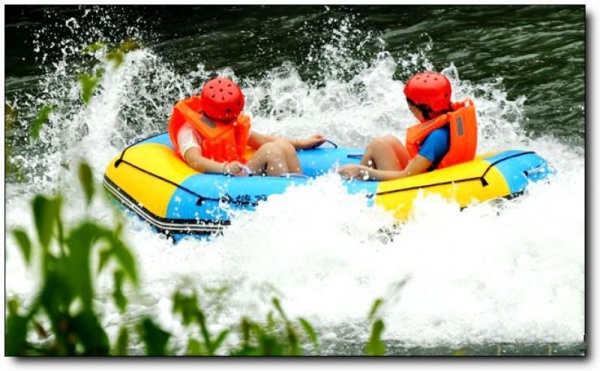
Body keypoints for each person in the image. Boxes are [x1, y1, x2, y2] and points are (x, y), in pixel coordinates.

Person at [168, 77, 325, 176]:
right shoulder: (189, 130)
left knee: (282, 145)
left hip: (239, 170)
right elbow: (194, 160)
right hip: (222, 176)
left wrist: (301, 143)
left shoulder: (229, 120)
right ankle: (284, 191)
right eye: (229, 119)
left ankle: (299, 185)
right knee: (271, 151)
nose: (233, 121)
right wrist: (225, 168)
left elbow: (261, 139)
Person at [338, 71, 478, 181]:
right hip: (431, 173)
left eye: (412, 110)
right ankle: (358, 172)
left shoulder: (437, 138)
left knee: (377, 146)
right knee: (384, 142)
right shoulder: (450, 120)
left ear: (422, 109)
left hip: (414, 183)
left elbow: (407, 176)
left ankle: (356, 181)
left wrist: (364, 172)